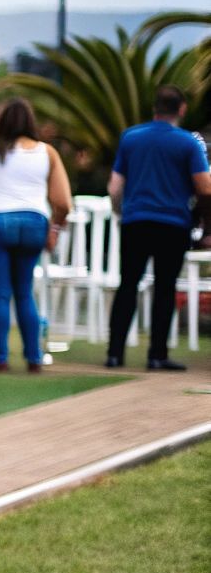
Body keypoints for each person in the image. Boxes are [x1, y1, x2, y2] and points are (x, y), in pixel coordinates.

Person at [0, 97, 72, 373]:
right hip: (33, 222)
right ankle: (34, 357)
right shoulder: (47, 153)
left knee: (0, 294)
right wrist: (54, 229)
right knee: (24, 292)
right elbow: (63, 203)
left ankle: (0, 358)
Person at [104, 84, 211, 369]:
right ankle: (157, 355)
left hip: (136, 221)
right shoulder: (187, 143)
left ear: (155, 108)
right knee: (165, 287)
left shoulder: (131, 137)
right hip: (172, 223)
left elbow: (115, 186)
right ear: (182, 109)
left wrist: (121, 212)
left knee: (128, 283)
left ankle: (115, 353)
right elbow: (205, 187)